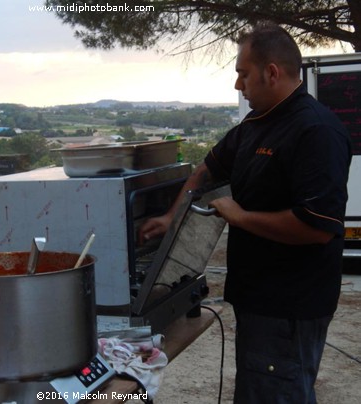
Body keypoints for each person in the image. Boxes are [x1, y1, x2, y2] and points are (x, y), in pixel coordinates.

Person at [139, 22, 352, 404]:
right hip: (259, 300)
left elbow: (317, 227)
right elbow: (208, 169)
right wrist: (174, 216)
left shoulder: (315, 130)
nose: (238, 85)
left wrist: (240, 217)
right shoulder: (257, 123)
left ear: (271, 72)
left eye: (243, 74)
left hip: (289, 306)